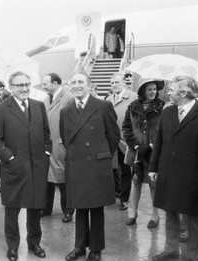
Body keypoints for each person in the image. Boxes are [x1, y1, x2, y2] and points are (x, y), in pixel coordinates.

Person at [0, 71, 52, 261]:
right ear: (11, 88)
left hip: (37, 167)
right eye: (19, 85)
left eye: (26, 84)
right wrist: (10, 158)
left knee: (35, 208)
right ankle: (13, 246)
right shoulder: (0, 109)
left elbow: (46, 134)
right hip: (14, 168)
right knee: (12, 208)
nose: (24, 88)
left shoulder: (38, 106)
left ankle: (34, 243)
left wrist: (46, 153)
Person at [60, 72, 120, 261]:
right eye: (73, 82)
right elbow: (66, 138)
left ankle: (96, 249)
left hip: (96, 165)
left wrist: (100, 155)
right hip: (76, 165)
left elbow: (113, 136)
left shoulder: (103, 106)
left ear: (89, 85)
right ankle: (79, 247)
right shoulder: (66, 110)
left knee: (95, 209)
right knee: (79, 207)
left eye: (80, 82)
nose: (77, 85)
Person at [149, 76, 198, 261]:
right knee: (170, 210)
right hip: (168, 171)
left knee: (195, 216)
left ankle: (194, 255)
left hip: (194, 174)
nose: (168, 93)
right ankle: (171, 250)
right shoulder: (167, 112)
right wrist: (153, 167)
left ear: (184, 92)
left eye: (172, 90)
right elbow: (159, 142)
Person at [122, 79, 165, 228]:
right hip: (135, 151)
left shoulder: (162, 106)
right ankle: (133, 213)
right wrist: (134, 144)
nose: (153, 92)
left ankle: (155, 215)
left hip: (153, 151)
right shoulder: (133, 106)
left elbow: (163, 129)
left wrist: (152, 144)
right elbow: (126, 128)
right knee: (136, 180)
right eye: (149, 89)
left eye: (154, 89)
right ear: (142, 91)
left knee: (153, 182)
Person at [41, 73, 74, 223]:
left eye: (45, 84)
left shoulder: (68, 98)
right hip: (48, 144)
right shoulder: (46, 99)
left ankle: (68, 210)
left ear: (54, 83)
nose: (43, 87)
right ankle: (46, 208)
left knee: (63, 178)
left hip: (61, 144)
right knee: (47, 177)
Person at [105, 73, 138, 211]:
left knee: (126, 171)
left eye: (117, 82)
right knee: (111, 169)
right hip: (111, 140)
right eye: (112, 83)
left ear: (124, 82)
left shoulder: (133, 97)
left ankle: (124, 199)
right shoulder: (107, 99)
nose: (114, 85)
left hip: (126, 141)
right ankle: (115, 193)